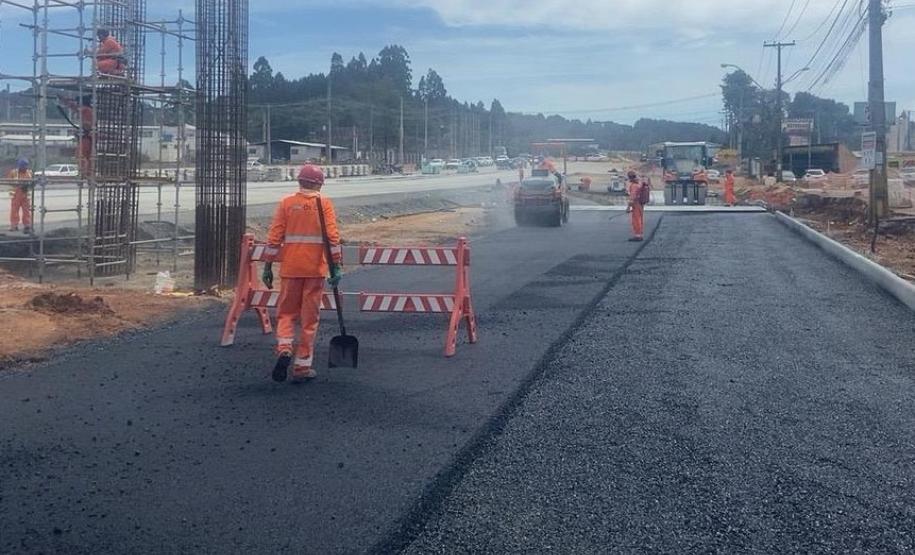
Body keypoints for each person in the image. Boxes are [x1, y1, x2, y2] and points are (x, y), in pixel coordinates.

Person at [262, 164, 343, 382]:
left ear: (299, 181)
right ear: (320, 184)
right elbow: (332, 238)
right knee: (309, 320)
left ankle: (284, 349)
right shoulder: (324, 204)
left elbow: (274, 237)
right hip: (315, 271)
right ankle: (302, 367)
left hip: (291, 269)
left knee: (286, 314)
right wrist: (336, 265)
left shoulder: (286, 203)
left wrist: (268, 266)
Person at [61, 96, 93, 177]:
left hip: (86, 137)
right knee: (86, 156)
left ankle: (84, 172)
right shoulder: (88, 111)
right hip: (87, 137)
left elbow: (76, 109)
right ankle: (86, 173)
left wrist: (68, 103)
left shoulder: (87, 110)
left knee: (81, 155)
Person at [7, 158, 32, 233]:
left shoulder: (29, 172)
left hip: (25, 195)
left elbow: (32, 183)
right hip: (16, 195)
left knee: (26, 211)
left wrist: (27, 185)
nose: (25, 168)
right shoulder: (13, 172)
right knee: (14, 211)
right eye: (23, 166)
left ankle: (27, 225)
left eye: (25, 166)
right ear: (19, 166)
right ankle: (14, 225)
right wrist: (18, 185)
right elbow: (8, 181)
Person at [626, 170, 644, 242]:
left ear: (629, 178)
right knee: (640, 219)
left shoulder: (634, 186)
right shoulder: (639, 183)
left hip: (636, 204)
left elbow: (632, 198)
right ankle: (640, 234)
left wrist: (628, 207)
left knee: (636, 220)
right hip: (640, 204)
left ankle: (637, 235)